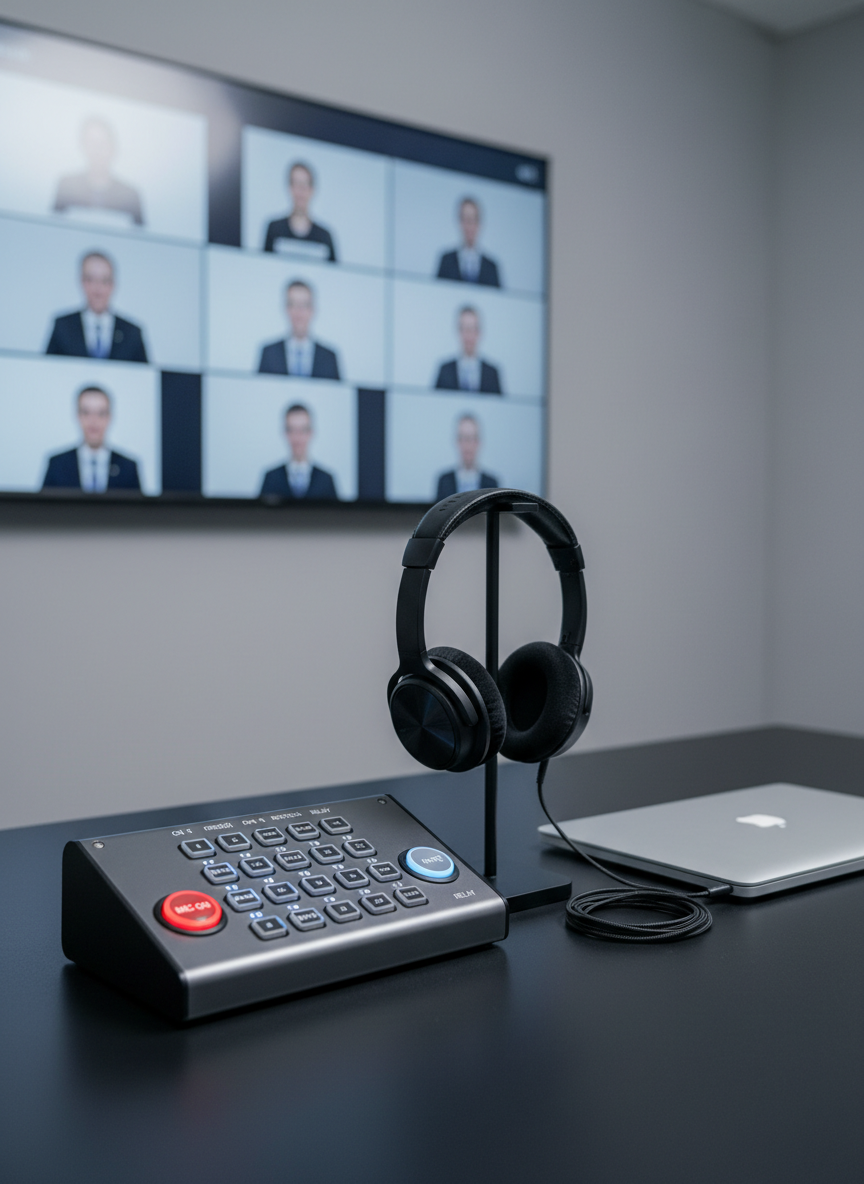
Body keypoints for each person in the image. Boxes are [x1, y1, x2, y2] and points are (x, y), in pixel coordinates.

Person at [45, 251, 148, 363]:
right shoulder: (64, 326)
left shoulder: (132, 333)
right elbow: (47, 370)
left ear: (113, 285)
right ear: (82, 282)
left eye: (104, 281)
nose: (98, 288)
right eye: (90, 280)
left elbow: (144, 377)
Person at [41, 385, 141, 492]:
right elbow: (44, 508)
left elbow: (137, 508)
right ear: (78, 416)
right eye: (86, 412)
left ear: (110, 417)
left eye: (101, 413)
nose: (93, 420)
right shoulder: (57, 464)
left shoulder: (128, 467)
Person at [53, 116, 144, 226]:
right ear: (83, 146)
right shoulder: (67, 186)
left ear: (113, 146)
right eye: (92, 143)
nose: (97, 150)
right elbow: (55, 227)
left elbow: (139, 236)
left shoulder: (130, 195)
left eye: (102, 143)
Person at [258, 280, 341, 379]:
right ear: (286, 308)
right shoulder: (269, 353)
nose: (299, 311)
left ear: (312, 310)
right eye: (293, 304)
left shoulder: (329, 357)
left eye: (304, 305)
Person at [259, 403, 338, 499]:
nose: (297, 437)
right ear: (285, 433)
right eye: (292, 430)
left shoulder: (326, 480)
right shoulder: (271, 478)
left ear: (311, 433)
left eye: (303, 430)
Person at [262, 162, 337, 261]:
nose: (301, 191)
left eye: (305, 184)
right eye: (296, 184)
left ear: (312, 190)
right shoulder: (275, 229)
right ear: (290, 188)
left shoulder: (324, 237)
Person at [434, 305, 502, 394]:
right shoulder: (445, 370)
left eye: (472, 329)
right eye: (465, 329)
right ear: (459, 331)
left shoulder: (491, 373)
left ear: (479, 332)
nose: (469, 335)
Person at [436, 198, 501, 287]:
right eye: (465, 219)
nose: (469, 226)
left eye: (473, 219)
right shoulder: (447, 261)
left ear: (479, 223)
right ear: (460, 222)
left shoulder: (491, 267)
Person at [435, 414, 498, 499]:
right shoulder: (444, 481)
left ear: (478, 442)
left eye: (472, 438)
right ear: (457, 442)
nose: (468, 445)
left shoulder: (492, 484)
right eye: (464, 438)